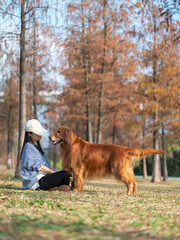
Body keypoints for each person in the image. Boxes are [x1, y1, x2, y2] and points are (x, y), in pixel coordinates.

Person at [21, 119, 73, 191]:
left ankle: (57, 188)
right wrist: (57, 174)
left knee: (66, 174)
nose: (40, 135)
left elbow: (47, 167)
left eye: (40, 133)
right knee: (64, 174)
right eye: (37, 133)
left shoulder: (36, 147)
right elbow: (41, 168)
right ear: (29, 134)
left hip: (43, 179)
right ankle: (61, 188)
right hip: (36, 182)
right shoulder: (29, 148)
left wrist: (58, 174)